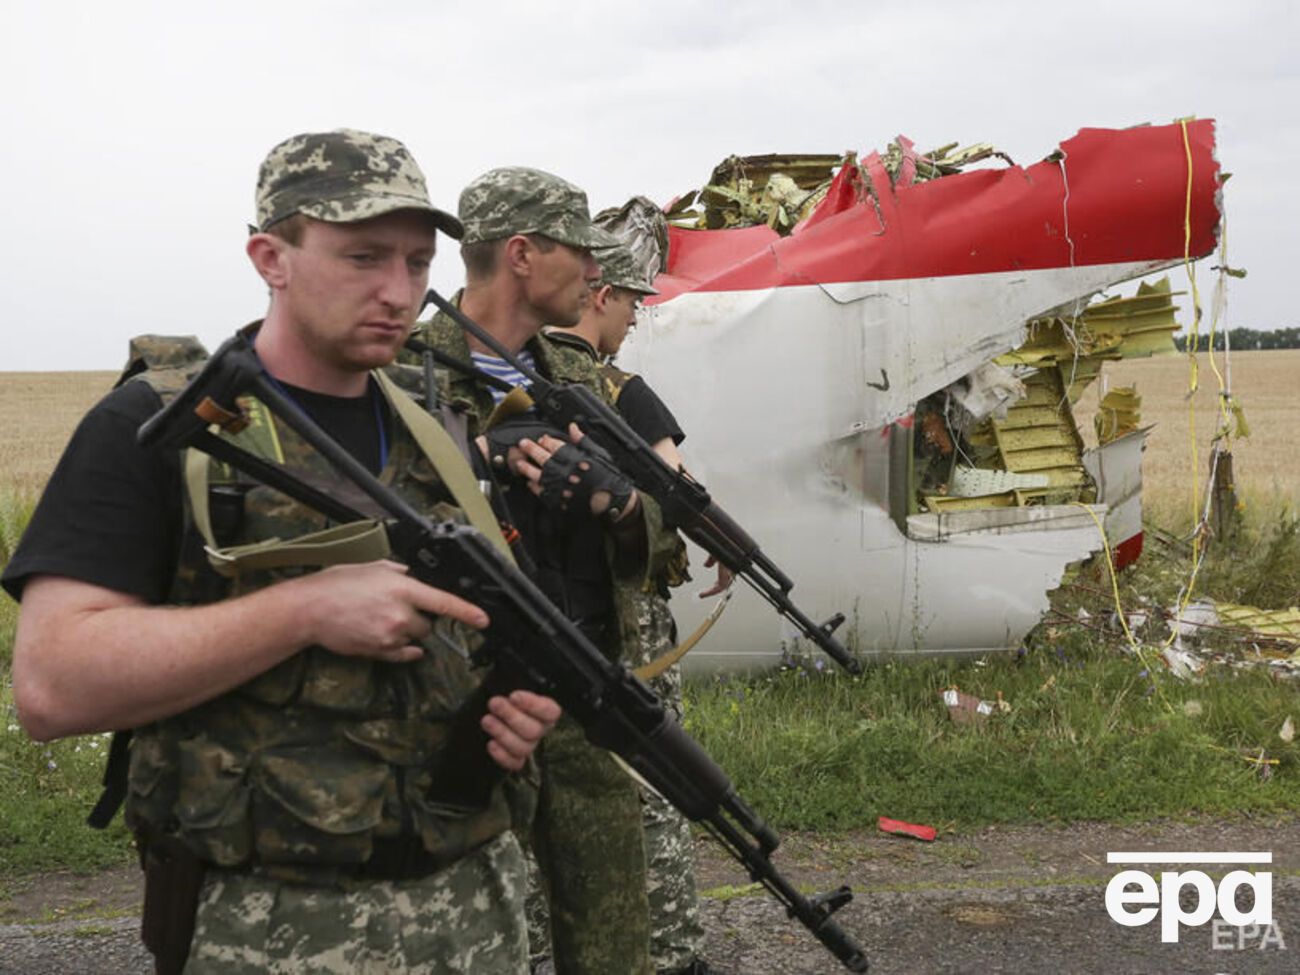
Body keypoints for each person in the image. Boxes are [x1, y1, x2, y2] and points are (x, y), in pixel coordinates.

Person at [2, 129, 561, 975]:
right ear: (272, 257)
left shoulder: (440, 424)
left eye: (416, 263)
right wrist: (302, 609)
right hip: (264, 926)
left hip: (474, 907)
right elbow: (53, 684)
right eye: (364, 256)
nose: (397, 290)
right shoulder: (157, 428)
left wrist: (508, 715)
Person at [414, 168, 682, 975]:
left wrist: (623, 506)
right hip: (465, 713)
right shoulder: (405, 373)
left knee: (612, 941)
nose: (598, 278)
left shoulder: (582, 383)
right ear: (524, 255)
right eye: (582, 255)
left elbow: (665, 545)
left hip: (588, 696)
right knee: (475, 941)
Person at [544, 244, 728, 975]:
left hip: (547, 613)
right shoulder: (620, 390)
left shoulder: (510, 375)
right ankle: (672, 950)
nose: (632, 320)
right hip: (627, 618)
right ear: (599, 295)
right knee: (653, 783)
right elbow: (678, 490)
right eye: (630, 304)